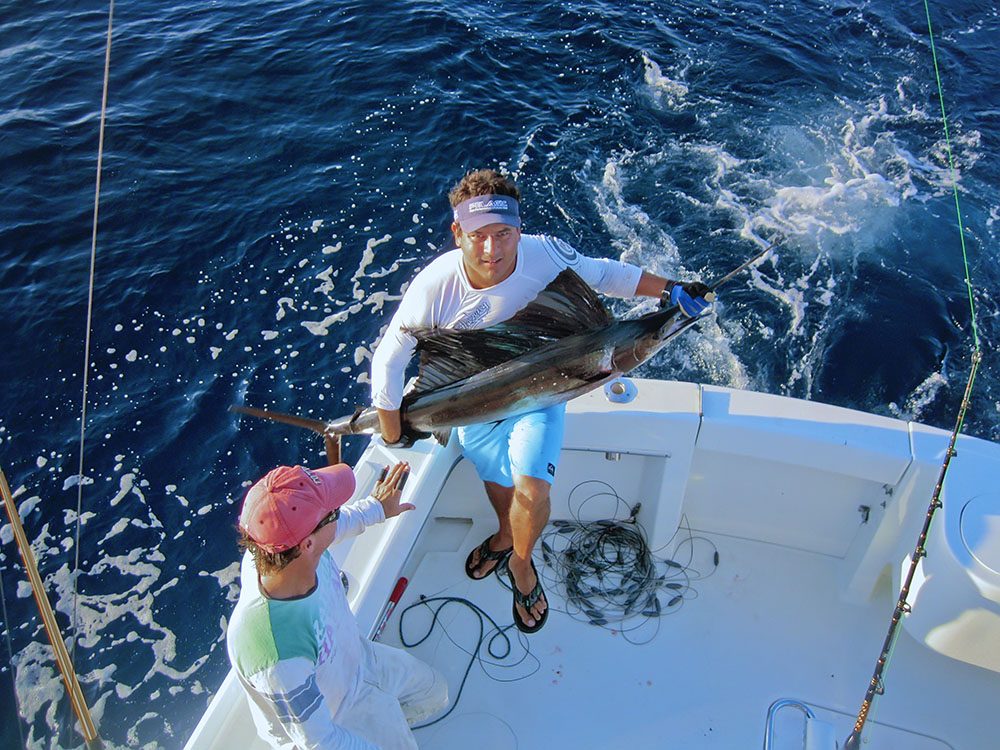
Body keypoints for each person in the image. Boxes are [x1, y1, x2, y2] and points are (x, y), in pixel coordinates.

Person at [370, 169, 710, 633]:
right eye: (479, 237)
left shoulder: (544, 253)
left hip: (542, 394)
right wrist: (392, 429)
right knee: (496, 480)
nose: (492, 249)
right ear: (457, 234)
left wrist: (670, 291)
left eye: (504, 234)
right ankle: (506, 535)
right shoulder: (434, 287)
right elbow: (390, 360)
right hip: (474, 402)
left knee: (532, 488)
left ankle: (521, 564)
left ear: (519, 228)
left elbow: (607, 274)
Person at [227, 460, 448, 749]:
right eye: (331, 512)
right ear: (307, 545)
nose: (337, 514)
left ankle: (389, 723)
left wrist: (377, 509)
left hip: (359, 662)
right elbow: (321, 741)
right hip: (338, 716)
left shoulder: (279, 549)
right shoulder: (277, 655)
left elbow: (332, 527)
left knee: (435, 692)